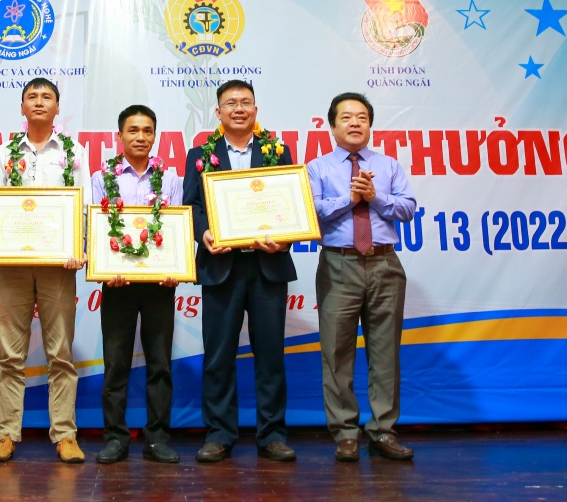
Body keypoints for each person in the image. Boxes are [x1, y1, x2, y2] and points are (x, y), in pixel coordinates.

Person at [0, 77, 90, 464]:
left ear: (57, 108)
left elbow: (83, 206)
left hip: (58, 266)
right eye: (32, 97)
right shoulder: (4, 153)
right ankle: (7, 434)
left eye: (46, 97)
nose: (39, 102)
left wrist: (79, 248)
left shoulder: (74, 153)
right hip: (13, 266)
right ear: (22, 107)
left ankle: (65, 434)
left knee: (61, 354)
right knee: (10, 354)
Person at [182, 80, 299, 463]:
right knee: (218, 356)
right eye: (230, 103)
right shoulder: (200, 154)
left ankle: (273, 435)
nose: (238, 108)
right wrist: (204, 233)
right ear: (218, 112)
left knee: (271, 355)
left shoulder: (277, 151)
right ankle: (219, 433)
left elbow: (291, 203)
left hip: (268, 266)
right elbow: (192, 205)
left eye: (245, 102)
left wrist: (285, 239)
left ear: (255, 110)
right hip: (222, 267)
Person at [307, 92, 417, 461]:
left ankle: (383, 430)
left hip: (385, 263)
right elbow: (311, 212)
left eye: (362, 117)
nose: (355, 123)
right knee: (336, 352)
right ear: (331, 126)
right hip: (339, 264)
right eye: (346, 117)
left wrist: (375, 196)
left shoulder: (388, 165)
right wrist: (351, 200)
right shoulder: (317, 168)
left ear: (370, 124)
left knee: (385, 352)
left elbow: (408, 208)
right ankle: (345, 433)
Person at [90, 105, 184, 465]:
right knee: (116, 364)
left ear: (155, 136)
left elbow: (175, 228)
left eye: (147, 131)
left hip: (160, 283)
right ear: (120, 136)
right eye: (133, 130)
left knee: (160, 363)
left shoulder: (170, 179)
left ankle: (157, 438)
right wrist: (104, 267)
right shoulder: (102, 178)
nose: (140, 137)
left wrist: (175, 267)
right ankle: (115, 437)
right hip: (117, 283)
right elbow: (97, 227)